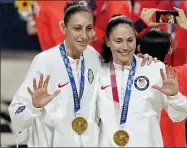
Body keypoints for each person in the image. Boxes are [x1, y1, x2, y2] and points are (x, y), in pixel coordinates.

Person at [8, 2, 154, 147]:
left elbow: (116, 81)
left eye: (89, 29)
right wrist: (34, 106)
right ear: (63, 27)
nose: (84, 35)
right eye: (77, 28)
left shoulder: (93, 58)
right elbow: (16, 112)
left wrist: (142, 63)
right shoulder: (44, 62)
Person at [93, 15, 187, 147]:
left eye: (130, 40)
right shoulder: (98, 72)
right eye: (119, 41)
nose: (125, 46)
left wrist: (174, 95)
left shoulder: (155, 69)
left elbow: (179, 115)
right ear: (108, 41)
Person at [138, 7, 187, 147]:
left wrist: (139, 25)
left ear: (139, 49)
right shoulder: (179, 76)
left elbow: (112, 47)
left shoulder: (130, 74)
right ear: (170, 50)